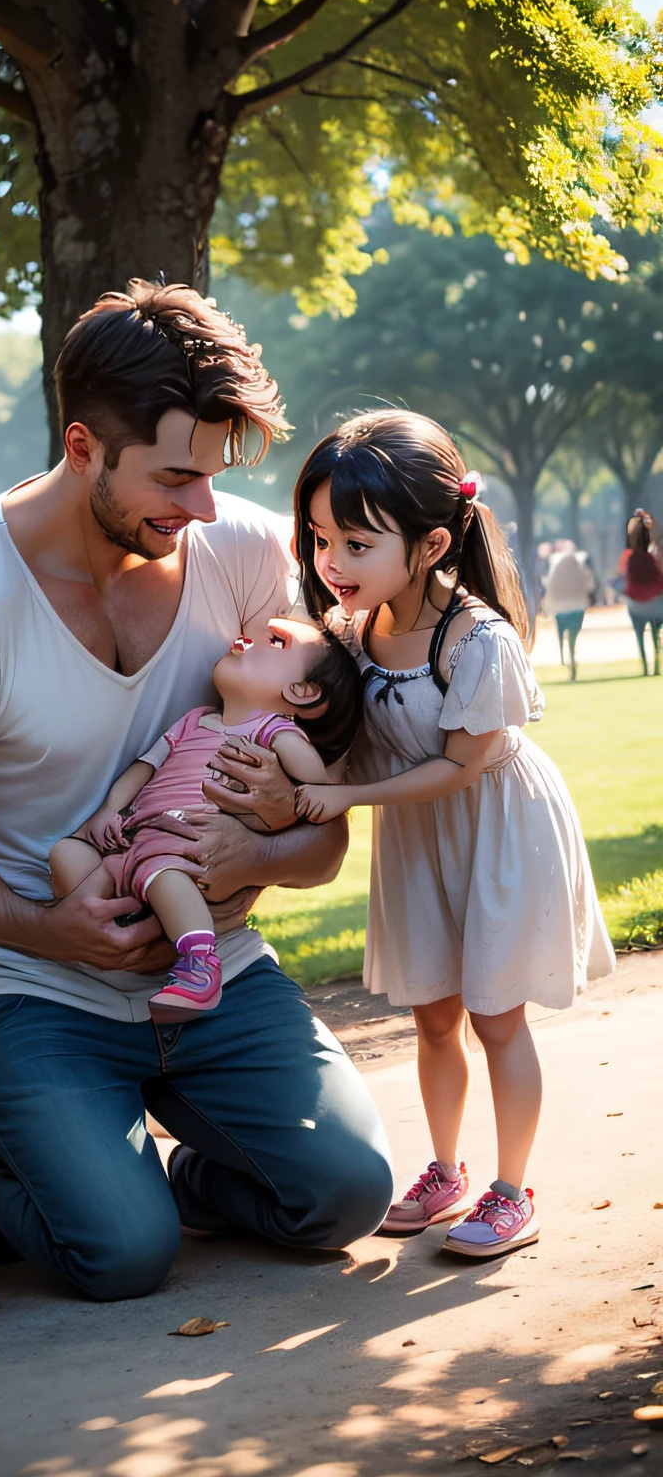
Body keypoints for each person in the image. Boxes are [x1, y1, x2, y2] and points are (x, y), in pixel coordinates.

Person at [0, 280, 393, 1303]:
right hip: (37, 988)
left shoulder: (238, 555)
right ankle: (10, 1172)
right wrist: (51, 929)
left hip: (218, 967)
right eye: (176, 478)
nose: (202, 510)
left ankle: (183, 1177)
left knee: (345, 1196)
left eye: (214, 477)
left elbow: (320, 844)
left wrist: (269, 845)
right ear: (82, 445)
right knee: (120, 1257)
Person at [288, 409, 615, 1259]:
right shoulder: (352, 635)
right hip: (418, 836)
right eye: (322, 539)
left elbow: (463, 767)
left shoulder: (477, 640)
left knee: (494, 1016)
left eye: (357, 545)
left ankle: (513, 1190)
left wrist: (346, 797)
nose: (331, 564)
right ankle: (445, 1169)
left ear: (431, 545)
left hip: (498, 829)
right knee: (433, 1015)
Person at [51, 615, 362, 1021]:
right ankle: (128, 926)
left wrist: (321, 783)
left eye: (275, 642)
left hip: (188, 839)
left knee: (164, 873)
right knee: (67, 853)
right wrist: (110, 810)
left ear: (301, 692)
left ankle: (199, 966)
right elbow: (144, 768)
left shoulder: (272, 730)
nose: (250, 639)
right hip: (137, 834)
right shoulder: (194, 720)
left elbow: (312, 783)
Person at [615, 510, 663, 676]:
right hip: (655, 605)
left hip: (636, 606)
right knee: (656, 634)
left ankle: (645, 664)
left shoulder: (629, 557)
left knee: (640, 634)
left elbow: (623, 579)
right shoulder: (654, 556)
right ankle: (657, 660)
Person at [542, 539, 595, 681]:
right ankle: (571, 658)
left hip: (559, 608)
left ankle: (564, 659)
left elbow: (548, 585)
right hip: (577, 607)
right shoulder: (580, 565)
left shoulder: (555, 565)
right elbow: (589, 585)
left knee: (560, 633)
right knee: (573, 637)